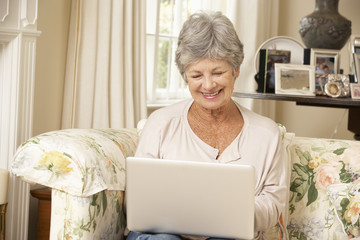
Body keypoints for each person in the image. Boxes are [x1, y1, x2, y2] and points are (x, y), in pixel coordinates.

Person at [128, 11, 287, 240]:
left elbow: (272, 204)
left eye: (218, 72)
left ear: (236, 70)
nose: (208, 85)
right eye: (196, 75)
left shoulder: (267, 134)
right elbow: (139, 199)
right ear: (185, 77)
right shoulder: (161, 124)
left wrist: (226, 215)